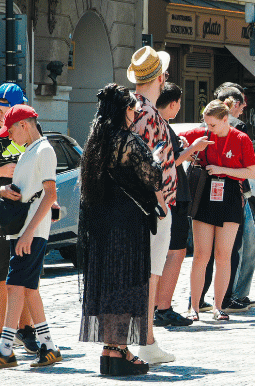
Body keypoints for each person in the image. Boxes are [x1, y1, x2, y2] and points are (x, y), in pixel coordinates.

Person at [77, 87, 164, 376]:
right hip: (126, 224)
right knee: (127, 283)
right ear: (120, 110)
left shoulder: (95, 142)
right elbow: (153, 177)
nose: (135, 113)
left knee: (109, 284)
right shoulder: (128, 140)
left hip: (101, 224)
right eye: (131, 109)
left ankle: (109, 349)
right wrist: (157, 156)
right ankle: (118, 351)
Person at [183, 100, 255, 321]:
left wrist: (222, 169)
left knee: (224, 255)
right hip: (205, 193)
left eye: (213, 125)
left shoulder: (241, 138)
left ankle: (218, 307)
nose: (209, 129)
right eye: (207, 124)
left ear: (226, 120)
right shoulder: (203, 133)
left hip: (230, 195)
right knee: (201, 255)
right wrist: (192, 149)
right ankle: (194, 307)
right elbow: (178, 141)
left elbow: (252, 173)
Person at [127, 47, 177, 365]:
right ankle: (146, 341)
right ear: (160, 78)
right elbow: (147, 164)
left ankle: (143, 339)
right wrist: (159, 203)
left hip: (143, 206)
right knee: (150, 275)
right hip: (153, 207)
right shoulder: (149, 114)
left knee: (147, 274)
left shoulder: (136, 108)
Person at [0, 104, 60, 368]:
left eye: (11, 129)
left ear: (24, 125)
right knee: (29, 289)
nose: (9, 135)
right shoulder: (30, 152)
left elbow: (50, 195)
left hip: (30, 232)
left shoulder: (44, 151)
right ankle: (49, 346)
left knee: (14, 286)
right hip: (23, 232)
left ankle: (4, 349)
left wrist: (30, 232)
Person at [154, 83, 197, 327]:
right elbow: (169, 163)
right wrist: (193, 148)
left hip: (169, 195)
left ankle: (158, 306)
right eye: (179, 103)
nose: (179, 107)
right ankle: (164, 307)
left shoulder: (157, 124)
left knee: (168, 252)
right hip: (172, 195)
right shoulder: (161, 125)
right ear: (172, 103)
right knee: (175, 252)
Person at [0, 83, 36, 354]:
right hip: (4, 214)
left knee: (23, 277)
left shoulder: (22, 133)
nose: (6, 116)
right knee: (5, 277)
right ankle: (9, 333)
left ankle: (27, 329)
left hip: (22, 214)